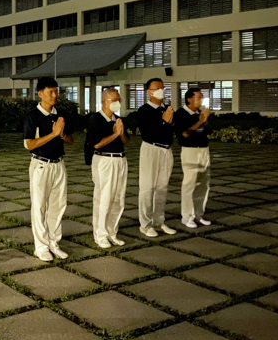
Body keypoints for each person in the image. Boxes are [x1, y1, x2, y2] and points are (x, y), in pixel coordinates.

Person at [23, 77, 74, 261]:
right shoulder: (32, 116)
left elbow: (70, 139)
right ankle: (41, 246)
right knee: (39, 206)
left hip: (59, 164)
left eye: (56, 91)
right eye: (50, 92)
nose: (54, 95)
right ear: (40, 93)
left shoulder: (60, 115)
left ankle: (54, 242)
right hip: (41, 164)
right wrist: (52, 134)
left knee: (58, 205)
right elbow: (29, 144)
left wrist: (61, 135)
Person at [87, 87, 129, 249]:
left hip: (120, 160)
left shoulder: (117, 119)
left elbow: (126, 141)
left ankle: (112, 232)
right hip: (104, 160)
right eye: (115, 100)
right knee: (104, 198)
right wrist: (115, 134)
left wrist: (121, 133)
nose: (118, 103)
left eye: (119, 100)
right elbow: (97, 143)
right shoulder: (95, 120)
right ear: (105, 101)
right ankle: (101, 234)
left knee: (118, 199)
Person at [137, 78, 177, 237]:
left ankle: (159, 221)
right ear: (149, 92)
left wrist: (167, 121)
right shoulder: (144, 110)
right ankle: (145, 224)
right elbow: (148, 132)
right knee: (148, 188)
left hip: (166, 150)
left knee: (162, 188)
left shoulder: (167, 108)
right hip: (151, 149)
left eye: (162, 87)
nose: (161, 90)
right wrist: (163, 122)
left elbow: (170, 130)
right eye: (157, 88)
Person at [174, 88, 212, 229]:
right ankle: (187, 216)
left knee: (203, 183)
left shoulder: (199, 113)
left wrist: (204, 120)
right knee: (190, 183)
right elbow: (185, 134)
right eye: (198, 97)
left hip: (203, 149)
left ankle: (198, 214)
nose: (200, 100)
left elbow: (207, 131)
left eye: (202, 97)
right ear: (189, 99)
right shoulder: (181, 114)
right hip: (190, 151)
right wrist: (200, 121)